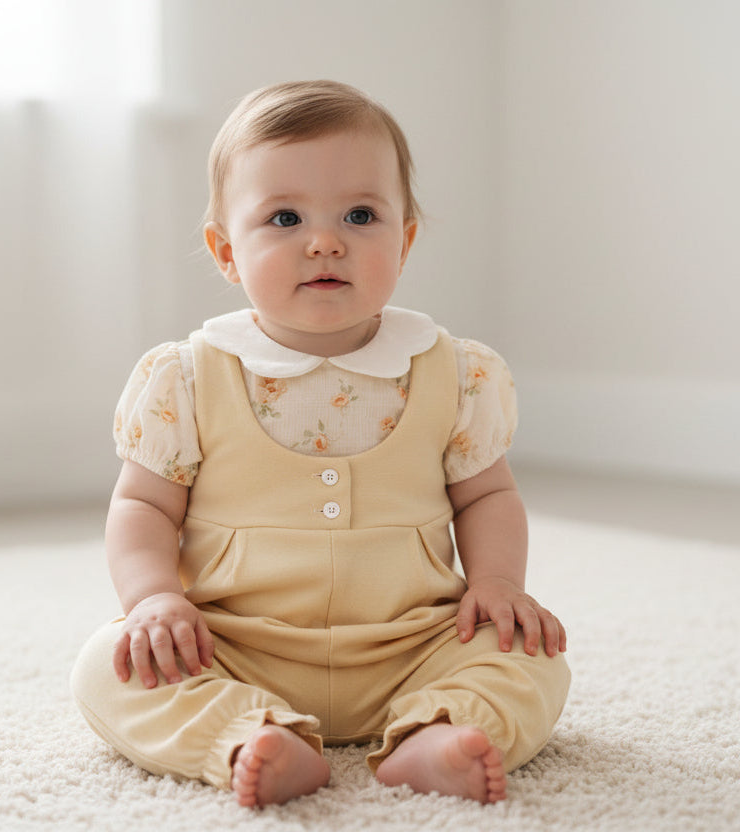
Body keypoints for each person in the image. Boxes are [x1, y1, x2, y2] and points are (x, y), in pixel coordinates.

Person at [71, 80, 570, 809]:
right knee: (106, 667)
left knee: (537, 661)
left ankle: (434, 732)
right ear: (226, 252)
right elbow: (142, 505)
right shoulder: (185, 377)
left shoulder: (455, 372)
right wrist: (153, 598)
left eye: (361, 215)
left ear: (403, 241)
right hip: (232, 647)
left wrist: (497, 584)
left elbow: (488, 492)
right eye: (284, 217)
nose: (325, 239)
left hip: (410, 647)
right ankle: (250, 737)